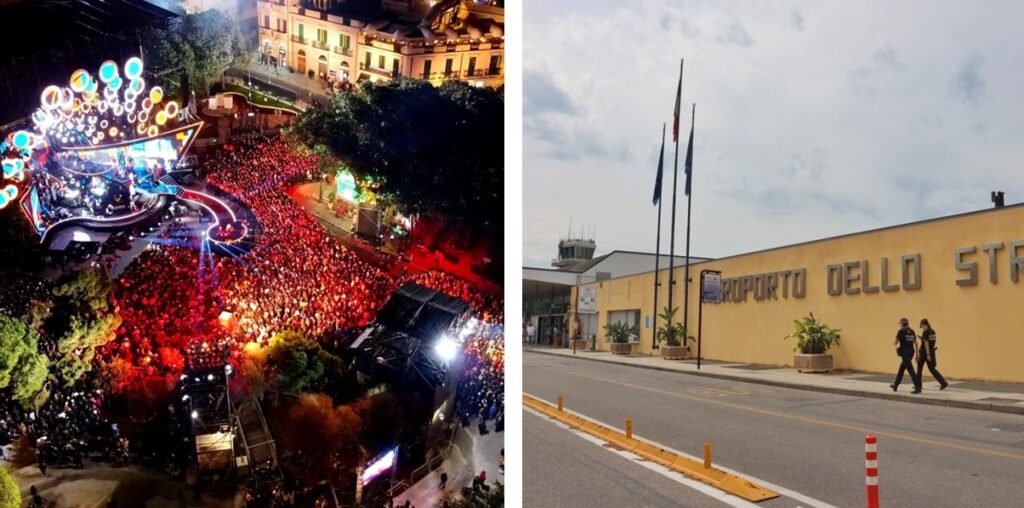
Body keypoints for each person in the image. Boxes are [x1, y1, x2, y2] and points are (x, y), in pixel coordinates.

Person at [890, 317, 922, 394]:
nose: (900, 325)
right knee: (901, 369)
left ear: (902, 324)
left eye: (900, 324)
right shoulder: (912, 331)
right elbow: (916, 343)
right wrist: (917, 354)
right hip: (911, 353)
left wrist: (896, 339)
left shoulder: (901, 331)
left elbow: (895, 343)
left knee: (911, 370)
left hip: (905, 354)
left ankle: (918, 387)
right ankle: (896, 385)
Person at [917, 318, 949, 390]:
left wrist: (927, 354)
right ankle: (943, 383)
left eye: (922, 326)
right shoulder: (933, 331)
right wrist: (922, 338)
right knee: (932, 369)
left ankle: (918, 386)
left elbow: (926, 343)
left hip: (924, 353)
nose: (922, 328)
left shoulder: (925, 332)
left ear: (923, 324)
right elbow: (931, 342)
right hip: (932, 352)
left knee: (919, 369)